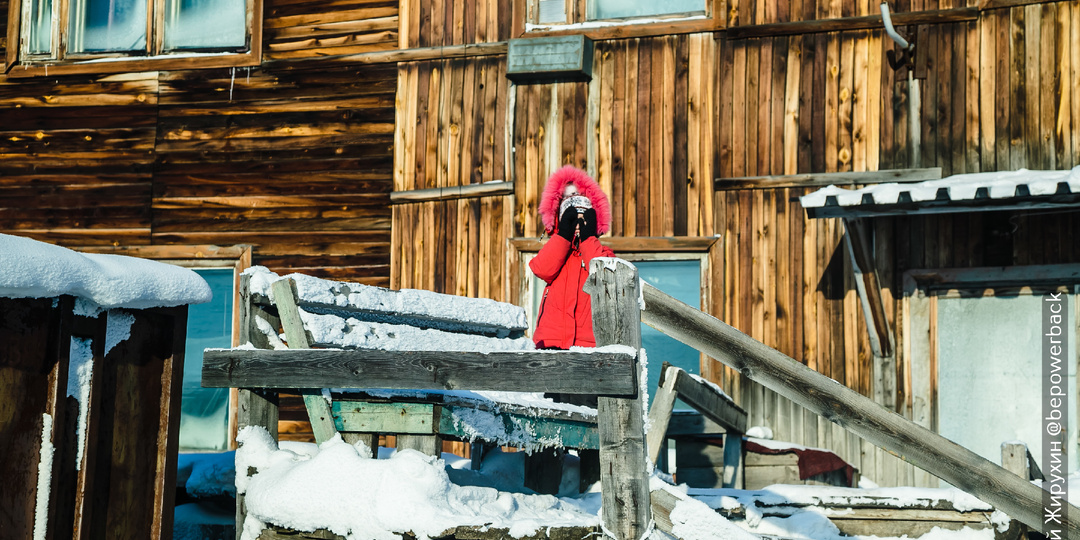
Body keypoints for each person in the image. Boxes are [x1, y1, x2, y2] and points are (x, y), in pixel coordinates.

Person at [530, 165, 614, 350]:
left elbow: (606, 278)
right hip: (551, 341)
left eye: (582, 219)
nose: (577, 224)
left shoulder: (602, 252)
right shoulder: (556, 249)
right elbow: (542, 269)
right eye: (571, 220)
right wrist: (563, 235)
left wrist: (588, 238)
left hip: (589, 345)